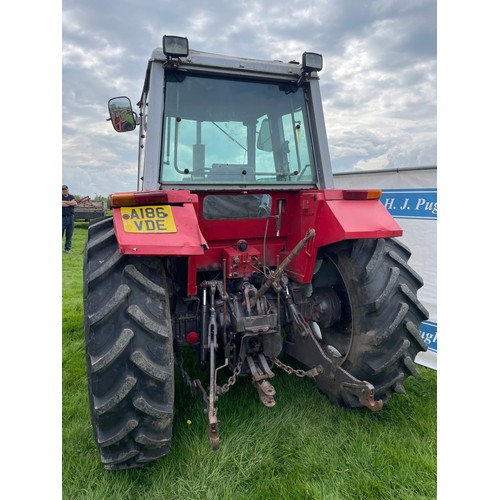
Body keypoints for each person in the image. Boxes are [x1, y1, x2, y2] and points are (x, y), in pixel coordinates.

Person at [62, 185, 77, 253]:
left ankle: (67, 249)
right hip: (62, 217)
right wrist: (69, 203)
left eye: (65, 190)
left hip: (70, 217)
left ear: (68, 190)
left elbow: (74, 203)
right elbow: (62, 204)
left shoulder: (72, 196)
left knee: (69, 234)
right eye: (63, 190)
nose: (64, 191)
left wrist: (64, 202)